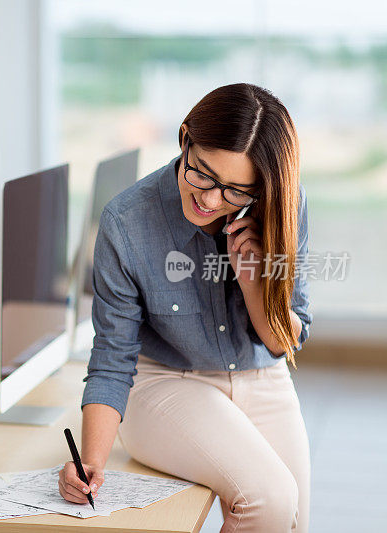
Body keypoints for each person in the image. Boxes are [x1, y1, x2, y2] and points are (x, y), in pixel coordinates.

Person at [58, 83, 312, 532]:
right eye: (202, 174)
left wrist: (253, 281)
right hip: (165, 380)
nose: (211, 200)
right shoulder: (127, 221)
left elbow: (283, 343)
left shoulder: (283, 205)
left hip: (259, 372)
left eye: (236, 190)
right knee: (268, 498)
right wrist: (89, 463)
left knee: (291, 520)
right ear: (184, 140)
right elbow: (112, 357)